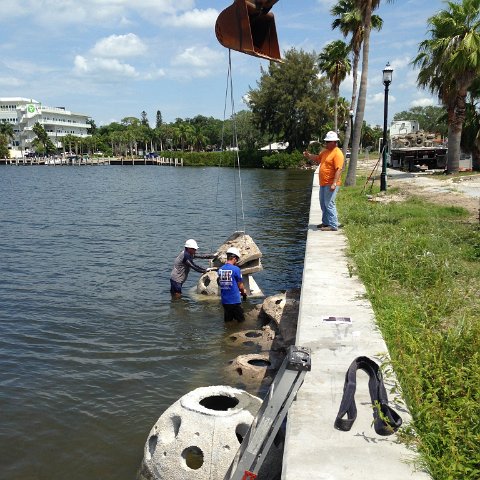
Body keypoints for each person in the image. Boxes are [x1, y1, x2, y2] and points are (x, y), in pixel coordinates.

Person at [303, 131, 344, 231]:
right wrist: (309, 156)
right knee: (323, 203)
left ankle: (333, 225)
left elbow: (339, 169)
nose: (326, 143)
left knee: (329, 203)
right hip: (323, 182)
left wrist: (334, 183)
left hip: (331, 183)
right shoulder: (325, 152)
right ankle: (326, 222)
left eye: (328, 142)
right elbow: (317, 158)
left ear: (334, 142)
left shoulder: (337, 153)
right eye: (326, 141)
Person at [217, 247, 247, 322]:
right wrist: (244, 293)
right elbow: (240, 286)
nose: (236, 262)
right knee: (242, 321)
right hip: (234, 301)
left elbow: (220, 283)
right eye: (237, 259)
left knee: (228, 321)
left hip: (225, 301)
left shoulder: (220, 269)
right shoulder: (236, 269)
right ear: (234, 258)